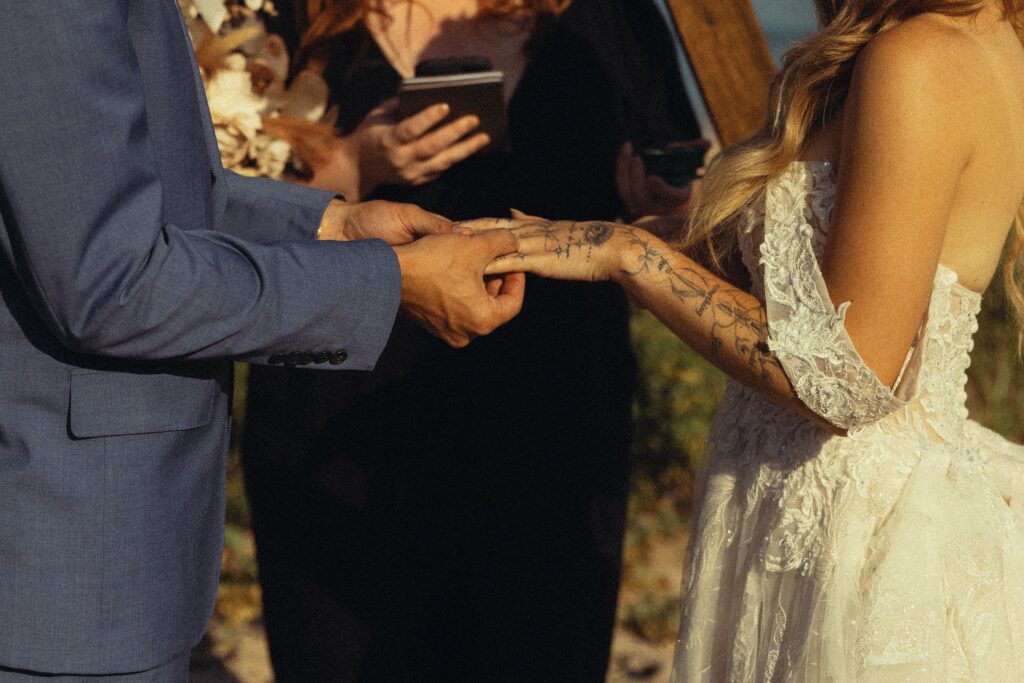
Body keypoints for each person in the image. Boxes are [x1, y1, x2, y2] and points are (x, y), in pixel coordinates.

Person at [482, 0, 1024, 679]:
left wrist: (626, 254)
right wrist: (605, 238)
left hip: (858, 541)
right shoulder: (980, 33)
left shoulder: (919, 59)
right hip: (804, 513)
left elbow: (848, 377)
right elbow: (815, 280)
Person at [0, 3, 524, 681]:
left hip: (97, 563)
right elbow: (113, 281)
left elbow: (169, 200)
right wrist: (384, 283)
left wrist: (334, 228)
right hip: (61, 567)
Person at [240, 0, 701, 680]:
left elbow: (682, 192)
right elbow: (225, 223)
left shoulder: (608, 17)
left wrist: (663, 202)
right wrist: (355, 163)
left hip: (551, 438)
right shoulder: (300, 20)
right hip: (335, 436)